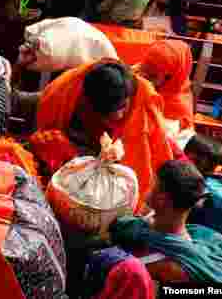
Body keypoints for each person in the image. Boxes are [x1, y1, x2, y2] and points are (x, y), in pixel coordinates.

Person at [36, 60, 178, 211]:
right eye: (110, 113)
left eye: (123, 107)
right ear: (90, 104)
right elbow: (46, 129)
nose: (119, 115)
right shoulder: (65, 90)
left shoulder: (143, 102)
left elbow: (142, 167)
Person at [111, 160, 222, 284]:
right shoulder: (196, 243)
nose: (149, 189)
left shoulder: (165, 267)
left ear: (162, 198)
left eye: (153, 184)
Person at [135, 39, 194, 132]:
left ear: (170, 78)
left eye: (152, 76)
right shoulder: (135, 73)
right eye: (143, 67)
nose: (142, 76)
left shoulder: (175, 115)